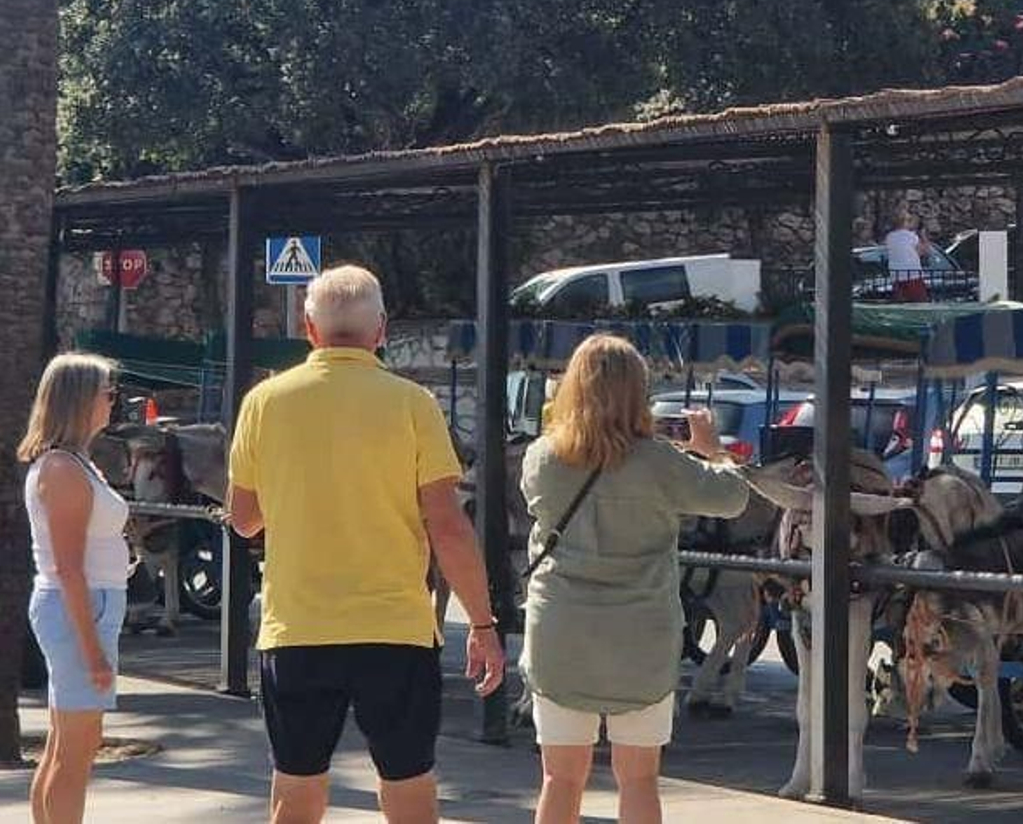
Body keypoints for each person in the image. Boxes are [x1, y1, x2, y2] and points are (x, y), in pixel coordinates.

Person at [226, 265, 504, 824]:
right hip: (394, 628)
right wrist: (482, 623)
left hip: (298, 626)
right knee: (408, 785)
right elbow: (448, 526)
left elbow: (244, 519)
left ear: (309, 328)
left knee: (296, 787)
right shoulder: (412, 403)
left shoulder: (264, 402)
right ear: (381, 329)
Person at [520, 335, 748, 824]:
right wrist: (714, 450)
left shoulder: (542, 459)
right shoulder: (661, 463)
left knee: (560, 779)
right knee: (639, 779)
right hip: (641, 636)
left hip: (562, 633)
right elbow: (731, 499)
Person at [19, 352, 126, 824]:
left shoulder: (71, 463)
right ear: (82, 399)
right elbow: (69, 568)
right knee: (77, 752)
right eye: (107, 393)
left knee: (65, 746)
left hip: (84, 603)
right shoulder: (62, 469)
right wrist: (93, 652)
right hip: (79, 607)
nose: (112, 402)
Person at [884, 211, 932, 302]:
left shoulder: (889, 237)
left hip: (896, 275)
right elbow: (925, 252)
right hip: (913, 274)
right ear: (905, 222)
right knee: (920, 304)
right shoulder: (911, 236)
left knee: (901, 305)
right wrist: (923, 236)